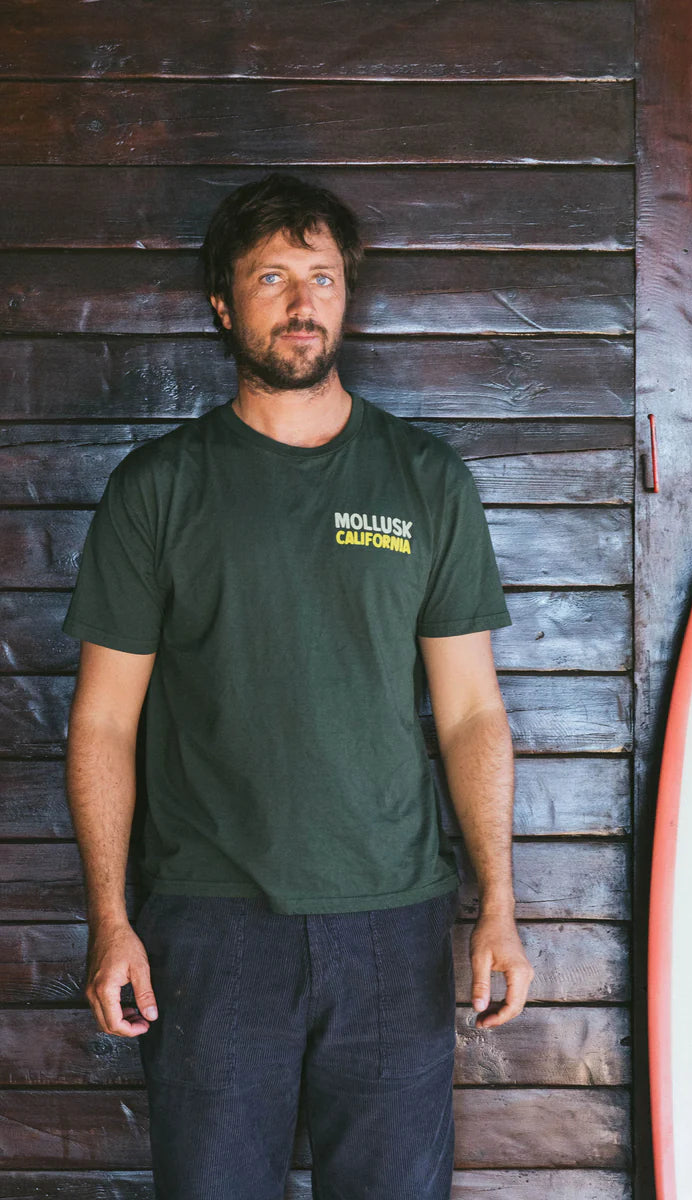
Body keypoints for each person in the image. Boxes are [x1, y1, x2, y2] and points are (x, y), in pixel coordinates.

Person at [62, 172, 535, 1200]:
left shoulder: (424, 481)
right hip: (209, 920)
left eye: (320, 276)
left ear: (345, 298)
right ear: (225, 306)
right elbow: (102, 721)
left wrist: (498, 901)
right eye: (272, 276)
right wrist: (111, 918)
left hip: (394, 922)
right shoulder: (160, 488)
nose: (302, 300)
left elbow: (470, 712)